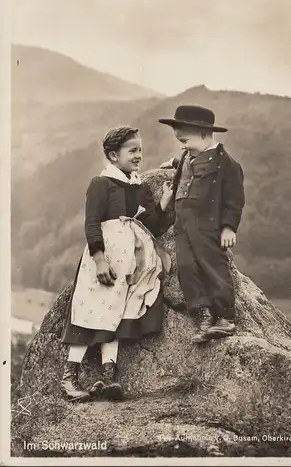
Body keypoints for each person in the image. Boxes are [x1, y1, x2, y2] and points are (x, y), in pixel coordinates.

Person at [60, 126, 173, 402]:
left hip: (129, 261)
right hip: (106, 258)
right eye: (132, 150)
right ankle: (69, 377)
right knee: (91, 310)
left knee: (116, 311)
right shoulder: (101, 184)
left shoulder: (138, 186)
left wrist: (163, 205)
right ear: (112, 155)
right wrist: (99, 259)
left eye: (140, 150)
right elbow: (92, 222)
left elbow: (148, 225)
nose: (138, 156)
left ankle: (108, 377)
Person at [159, 105, 245, 343]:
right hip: (182, 224)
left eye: (185, 140)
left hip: (207, 225)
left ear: (205, 135)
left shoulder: (227, 164)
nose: (182, 146)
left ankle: (226, 318)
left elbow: (234, 200)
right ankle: (203, 317)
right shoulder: (188, 156)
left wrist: (229, 227)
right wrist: (174, 162)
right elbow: (189, 168)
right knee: (187, 268)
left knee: (212, 267)